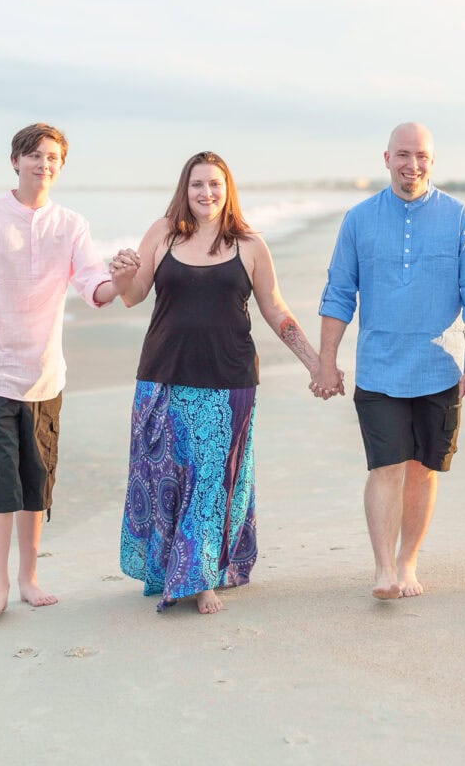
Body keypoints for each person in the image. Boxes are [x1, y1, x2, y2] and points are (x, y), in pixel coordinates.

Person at [108, 151, 323, 614]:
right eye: (197, 184)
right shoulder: (163, 233)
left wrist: (316, 363)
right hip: (163, 376)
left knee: (211, 479)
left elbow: (276, 311)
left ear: (228, 191)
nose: (206, 193)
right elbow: (133, 297)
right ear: (184, 190)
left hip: (228, 382)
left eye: (215, 184)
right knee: (167, 478)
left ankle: (201, 577)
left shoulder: (249, 245)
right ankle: (175, 568)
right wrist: (123, 276)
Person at [0, 123, 117, 618]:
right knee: (0, 483)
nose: (43, 163)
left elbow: (95, 286)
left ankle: (29, 579)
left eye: (52, 157)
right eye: (34, 155)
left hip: (45, 377)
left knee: (37, 483)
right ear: (15, 161)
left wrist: (120, 279)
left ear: (61, 165)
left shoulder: (70, 224)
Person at [311, 122, 465, 600]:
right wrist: (325, 361)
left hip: (441, 368)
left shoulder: (459, 218)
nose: (412, 165)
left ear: (432, 161)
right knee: (386, 466)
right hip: (379, 367)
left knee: (423, 468)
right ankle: (383, 568)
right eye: (403, 155)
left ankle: (409, 561)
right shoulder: (358, 219)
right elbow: (338, 295)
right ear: (386, 157)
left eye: (422, 156)